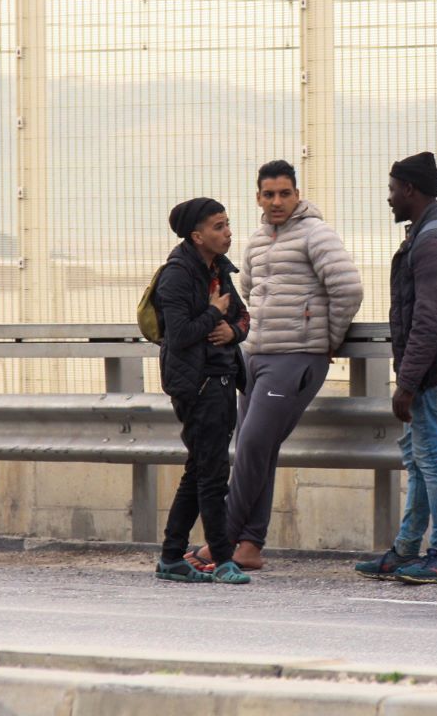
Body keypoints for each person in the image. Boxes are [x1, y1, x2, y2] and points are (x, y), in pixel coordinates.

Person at [191, 160, 363, 570]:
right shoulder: (254, 239)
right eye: (269, 194)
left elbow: (348, 288)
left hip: (297, 358)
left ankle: (222, 539)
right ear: (258, 198)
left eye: (285, 193)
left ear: (297, 194)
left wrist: (327, 339)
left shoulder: (315, 233)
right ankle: (249, 546)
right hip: (256, 356)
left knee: (252, 445)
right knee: (257, 449)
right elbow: (249, 290)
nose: (277, 201)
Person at [355, 151, 437, 585]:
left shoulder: (433, 242)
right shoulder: (427, 234)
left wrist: (407, 383)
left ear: (409, 190)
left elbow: (429, 320)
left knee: (435, 461)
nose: (388, 199)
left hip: (434, 374)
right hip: (428, 373)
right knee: (420, 460)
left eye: (391, 190)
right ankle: (407, 549)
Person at [153, 197, 252, 585]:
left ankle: (171, 557)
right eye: (218, 227)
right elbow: (178, 337)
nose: (227, 233)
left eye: (227, 224)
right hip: (197, 386)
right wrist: (213, 313)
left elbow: (242, 315)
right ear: (197, 236)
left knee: (198, 471)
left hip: (224, 379)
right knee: (212, 475)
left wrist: (233, 331)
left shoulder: (220, 270)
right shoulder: (177, 276)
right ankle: (224, 560)